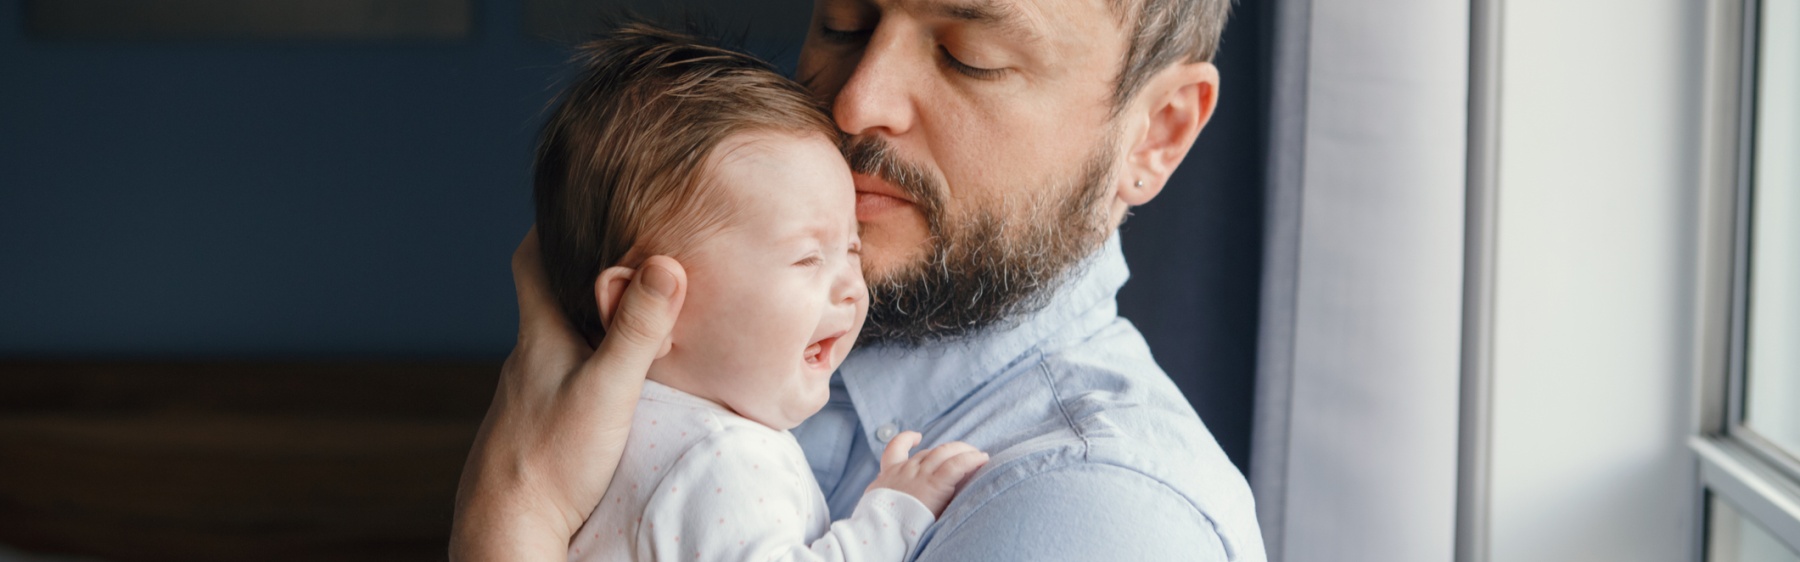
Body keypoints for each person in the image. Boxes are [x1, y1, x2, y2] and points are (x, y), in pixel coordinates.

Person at [451, 0, 1265, 559]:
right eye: (843, 21)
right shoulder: (722, 361)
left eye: (966, 57)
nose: (856, 101)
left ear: (1157, 133)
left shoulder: (1097, 513)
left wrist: (514, 513)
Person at [532, 25, 988, 561]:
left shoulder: (603, 445)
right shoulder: (721, 456)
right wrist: (891, 515)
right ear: (646, 307)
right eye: (807, 258)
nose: (851, 289)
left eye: (852, 250)